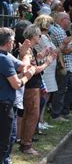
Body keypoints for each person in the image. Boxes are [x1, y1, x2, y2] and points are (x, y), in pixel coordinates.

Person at [0, 27, 37, 164]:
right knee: (2, 143)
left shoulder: (7, 56)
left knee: (8, 139)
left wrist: (25, 54)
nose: (15, 43)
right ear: (8, 43)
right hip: (3, 105)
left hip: (7, 104)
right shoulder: (3, 59)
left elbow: (23, 65)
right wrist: (27, 77)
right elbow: (16, 83)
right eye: (13, 41)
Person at [20, 24, 56, 155]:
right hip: (31, 86)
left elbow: (34, 62)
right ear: (33, 35)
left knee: (28, 114)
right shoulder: (27, 49)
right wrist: (49, 61)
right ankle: (26, 145)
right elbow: (34, 70)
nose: (41, 37)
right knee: (32, 115)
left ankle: (24, 141)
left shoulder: (30, 49)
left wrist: (42, 55)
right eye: (39, 35)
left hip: (32, 85)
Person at [50, 12, 72, 120]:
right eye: (68, 19)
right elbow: (65, 50)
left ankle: (64, 111)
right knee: (61, 89)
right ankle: (57, 114)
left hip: (66, 65)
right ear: (62, 20)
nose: (70, 22)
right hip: (63, 65)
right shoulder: (59, 31)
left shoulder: (60, 31)